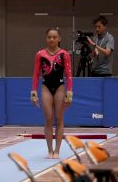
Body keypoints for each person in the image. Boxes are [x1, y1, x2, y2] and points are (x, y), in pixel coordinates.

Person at [31, 28, 73, 159]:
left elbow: (69, 74)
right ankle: (49, 150)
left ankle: (57, 150)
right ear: (46, 38)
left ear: (59, 39)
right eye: (49, 37)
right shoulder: (40, 54)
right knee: (48, 118)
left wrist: (69, 92)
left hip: (60, 87)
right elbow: (36, 74)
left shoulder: (64, 54)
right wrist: (33, 91)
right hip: (46, 88)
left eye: (54, 37)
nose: (52, 39)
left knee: (59, 119)